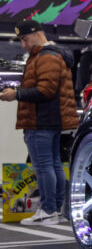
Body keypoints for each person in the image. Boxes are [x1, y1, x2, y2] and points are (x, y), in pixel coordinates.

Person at [0, 20, 78, 226]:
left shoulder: (46, 57)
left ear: (37, 34)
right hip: (50, 120)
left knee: (44, 167)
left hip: (40, 120)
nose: (23, 45)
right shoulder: (51, 55)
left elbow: (45, 90)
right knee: (53, 165)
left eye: (25, 39)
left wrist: (16, 94)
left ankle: (48, 210)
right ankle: (57, 209)